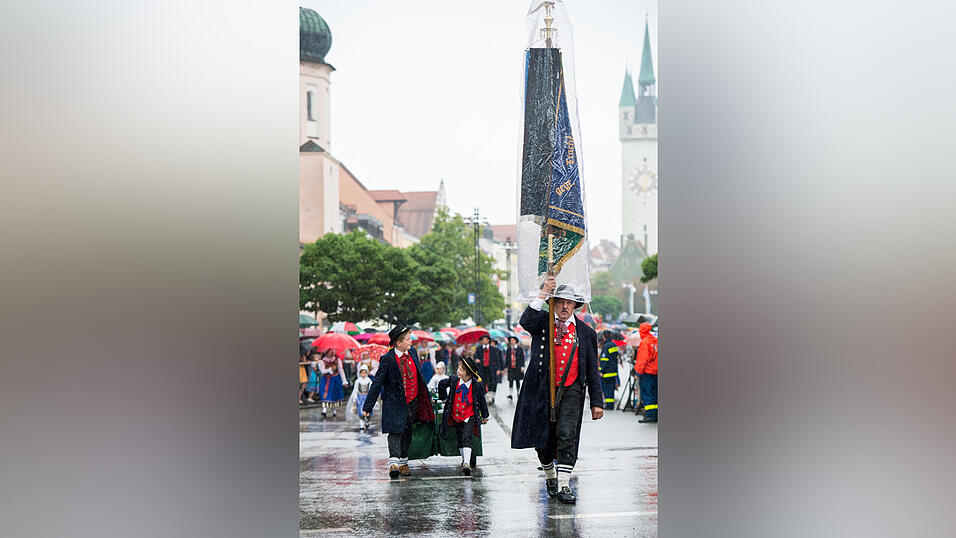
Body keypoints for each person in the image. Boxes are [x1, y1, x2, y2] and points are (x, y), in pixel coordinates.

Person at [511, 275, 604, 504]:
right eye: (560, 301)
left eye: (569, 303)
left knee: (566, 434)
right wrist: (544, 292)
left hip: (572, 389)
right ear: (554, 303)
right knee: (542, 439)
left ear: (575, 306)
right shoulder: (542, 321)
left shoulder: (586, 332)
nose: (564, 306)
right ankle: (550, 476)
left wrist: (597, 401)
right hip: (541, 389)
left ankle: (564, 485)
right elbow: (525, 321)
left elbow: (592, 369)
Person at [362, 325, 435, 479]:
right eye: (408, 339)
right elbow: (377, 382)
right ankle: (393, 463)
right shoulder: (387, 359)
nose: (411, 342)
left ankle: (403, 462)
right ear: (398, 342)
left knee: (407, 431)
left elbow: (419, 377)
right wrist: (368, 405)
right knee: (395, 431)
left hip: (413, 400)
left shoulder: (413, 353)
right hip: (394, 402)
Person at [437, 354, 489, 475]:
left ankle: (466, 463)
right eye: (459, 368)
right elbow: (441, 384)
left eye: (461, 369)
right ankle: (463, 459)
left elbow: (482, 401)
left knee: (467, 437)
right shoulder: (454, 380)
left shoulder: (476, 384)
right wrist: (444, 399)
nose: (458, 371)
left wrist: (485, 415)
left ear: (469, 373)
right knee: (460, 438)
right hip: (455, 415)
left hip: (469, 416)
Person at [634, 322, 658, 423]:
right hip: (655, 371)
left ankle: (649, 415)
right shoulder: (655, 341)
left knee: (647, 393)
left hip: (647, 372)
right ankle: (655, 414)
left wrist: (638, 372)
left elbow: (642, 359)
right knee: (654, 393)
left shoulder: (645, 342)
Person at [318, 350, 349, 418]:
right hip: (326, 380)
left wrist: (344, 381)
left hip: (335, 379)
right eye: (330, 351)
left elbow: (341, 370)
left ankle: (334, 410)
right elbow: (322, 371)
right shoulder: (322, 361)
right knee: (325, 394)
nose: (332, 352)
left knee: (335, 395)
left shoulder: (337, 360)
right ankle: (324, 410)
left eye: (333, 351)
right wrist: (330, 369)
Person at [474, 335, 503, 406]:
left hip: (491, 369)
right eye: (483, 340)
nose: (484, 341)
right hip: (482, 369)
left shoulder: (493, 349)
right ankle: (486, 398)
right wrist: (476, 360)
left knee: (492, 383)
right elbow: (475, 357)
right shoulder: (479, 349)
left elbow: (497, 360)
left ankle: (491, 397)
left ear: (488, 340)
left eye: (486, 340)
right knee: (482, 383)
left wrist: (499, 369)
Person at [598, 333, 623, 410]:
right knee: (611, 389)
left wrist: (600, 370)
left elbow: (604, 359)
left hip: (607, 372)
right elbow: (617, 356)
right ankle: (611, 405)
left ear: (603, 336)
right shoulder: (614, 345)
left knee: (606, 389)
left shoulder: (606, 346)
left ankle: (608, 406)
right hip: (614, 371)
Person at [348, 363, 374, 431]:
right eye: (362, 373)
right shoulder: (358, 381)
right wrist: (354, 399)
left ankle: (367, 421)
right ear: (360, 373)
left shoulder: (369, 381)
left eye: (365, 373)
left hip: (367, 398)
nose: (363, 374)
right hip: (360, 398)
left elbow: (371, 390)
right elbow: (355, 390)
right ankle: (361, 424)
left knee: (368, 412)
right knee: (360, 412)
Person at [504, 335, 525, 400]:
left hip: (518, 367)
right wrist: (506, 367)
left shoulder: (519, 349)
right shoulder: (508, 349)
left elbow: (522, 358)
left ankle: (518, 392)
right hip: (511, 367)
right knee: (510, 380)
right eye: (511, 340)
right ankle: (510, 394)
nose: (512, 341)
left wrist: (522, 366)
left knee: (517, 380)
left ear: (516, 341)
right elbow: (507, 358)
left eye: (513, 340)